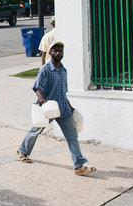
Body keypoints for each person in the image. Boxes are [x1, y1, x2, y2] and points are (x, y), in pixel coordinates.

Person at [17, 41, 96, 176]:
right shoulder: (46, 69)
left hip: (63, 109)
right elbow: (37, 87)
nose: (58, 53)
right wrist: (42, 98)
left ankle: (79, 166)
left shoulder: (63, 70)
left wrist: (70, 107)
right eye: (55, 51)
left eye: (60, 51)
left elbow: (63, 92)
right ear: (50, 53)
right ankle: (23, 151)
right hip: (49, 108)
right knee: (36, 130)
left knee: (72, 136)